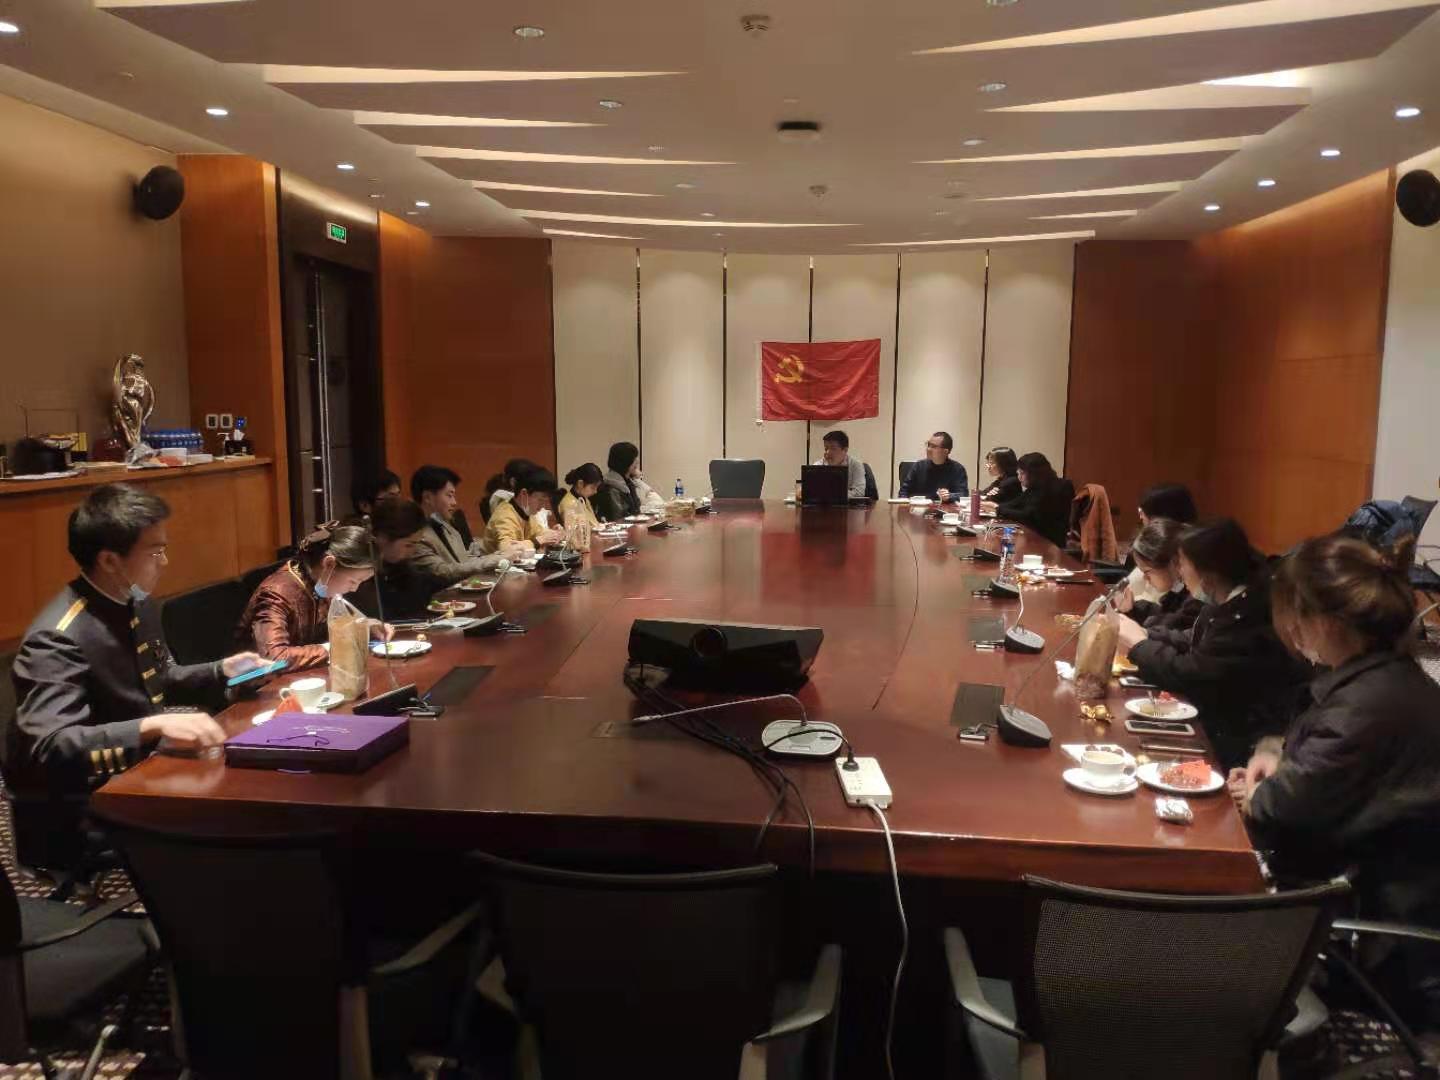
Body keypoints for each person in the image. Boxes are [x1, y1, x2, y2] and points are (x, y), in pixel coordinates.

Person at [1236, 535, 1440, 1029]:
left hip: (1366, 930)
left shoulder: (1364, 706)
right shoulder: (1385, 680)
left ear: (1321, 622)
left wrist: (1258, 794)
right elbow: (1312, 759)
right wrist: (1273, 756)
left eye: (1292, 617)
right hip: (1357, 888)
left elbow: (1278, 814)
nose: (1289, 631)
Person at [6, 485, 262, 860]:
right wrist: (152, 726)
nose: (165, 561)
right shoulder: (57, 637)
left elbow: (158, 681)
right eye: (155, 551)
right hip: (86, 801)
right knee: (229, 821)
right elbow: (50, 746)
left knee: (245, 782)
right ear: (110, 561)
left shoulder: (137, 603)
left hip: (140, 768)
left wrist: (221, 670)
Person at [1115, 518, 1310, 768]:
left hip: (1240, 741)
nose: (1179, 571)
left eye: (1182, 563)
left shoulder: (1248, 614)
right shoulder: (1224, 601)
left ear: (1207, 571)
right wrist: (1145, 634)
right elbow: (1192, 639)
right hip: (1219, 722)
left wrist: (1139, 645)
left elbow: (1194, 673)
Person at [235, 523, 392, 670]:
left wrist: (364, 627)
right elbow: (273, 659)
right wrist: (332, 649)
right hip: (261, 685)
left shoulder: (319, 582)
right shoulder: (276, 594)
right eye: (353, 581)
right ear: (329, 564)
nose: (354, 588)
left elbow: (333, 624)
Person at [410, 464, 520, 583]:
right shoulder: (415, 535)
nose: (454, 502)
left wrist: (500, 555)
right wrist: (498, 559)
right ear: (427, 497)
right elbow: (444, 572)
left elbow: (464, 562)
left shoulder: (445, 526)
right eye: (449, 495)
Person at [349, 499, 437, 621]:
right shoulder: (359, 576)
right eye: (408, 545)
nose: (413, 551)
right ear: (383, 538)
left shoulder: (401, 568)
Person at [1115, 518, 1202, 634]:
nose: (1145, 578)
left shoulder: (1197, 597)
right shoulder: (1179, 588)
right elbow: (1164, 613)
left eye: (1147, 571)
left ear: (1173, 562)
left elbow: (1171, 625)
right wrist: (1131, 609)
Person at [988, 452, 1072, 548]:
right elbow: (1016, 503)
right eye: (1018, 473)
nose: (1019, 477)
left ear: (1035, 473)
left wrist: (997, 508)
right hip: (1034, 536)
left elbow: (1027, 515)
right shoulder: (1035, 487)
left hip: (1048, 543)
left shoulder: (1056, 488)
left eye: (1022, 473)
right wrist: (994, 506)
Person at [483, 465, 564, 553]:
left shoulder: (526, 512)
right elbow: (506, 550)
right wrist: (539, 540)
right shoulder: (504, 516)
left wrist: (553, 534)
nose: (543, 506)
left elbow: (538, 533)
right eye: (541, 500)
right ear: (524, 494)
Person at [898, 432, 968, 502]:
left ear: (945, 451)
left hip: (945, 508)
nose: (928, 449)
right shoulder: (918, 466)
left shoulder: (958, 469)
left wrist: (950, 496)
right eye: (928, 445)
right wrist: (905, 503)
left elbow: (963, 495)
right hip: (918, 507)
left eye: (933, 446)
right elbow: (903, 492)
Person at [812, 430, 866, 500]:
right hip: (823, 505)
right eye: (826, 448)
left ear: (845, 450)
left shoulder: (855, 465)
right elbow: (809, 489)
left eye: (833, 448)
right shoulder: (818, 465)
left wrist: (833, 495)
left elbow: (859, 492)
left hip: (848, 505)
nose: (828, 452)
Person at [597, 442, 642, 521]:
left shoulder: (628, 482)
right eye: (634, 458)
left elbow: (636, 510)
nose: (637, 461)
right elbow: (619, 518)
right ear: (626, 462)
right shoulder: (611, 486)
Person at [558, 464, 604, 532]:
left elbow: (594, 524)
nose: (595, 491)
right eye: (593, 487)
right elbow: (575, 533)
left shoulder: (584, 499)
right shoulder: (568, 504)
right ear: (580, 484)